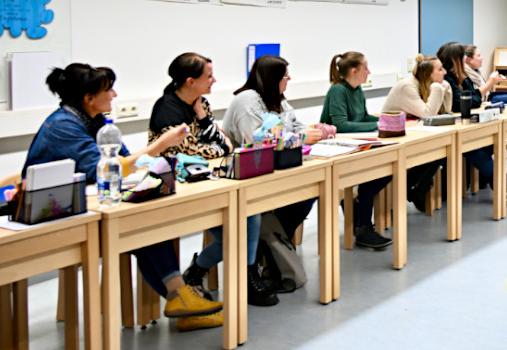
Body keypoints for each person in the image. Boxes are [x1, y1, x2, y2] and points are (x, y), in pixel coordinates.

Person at [24, 63, 223, 331]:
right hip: (50, 216)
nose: (115, 95)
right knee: (143, 227)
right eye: (109, 90)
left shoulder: (94, 121)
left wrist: (149, 156)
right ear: (89, 98)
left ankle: (182, 302)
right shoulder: (63, 125)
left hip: (87, 206)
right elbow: (108, 167)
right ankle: (182, 300)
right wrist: (160, 145)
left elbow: (128, 162)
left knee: (147, 225)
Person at [149, 53, 277, 307]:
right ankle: (217, 273)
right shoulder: (166, 109)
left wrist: (207, 122)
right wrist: (220, 146)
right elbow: (190, 150)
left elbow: (220, 141)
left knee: (251, 213)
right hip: (179, 185)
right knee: (237, 228)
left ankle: (217, 272)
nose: (214, 80)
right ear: (190, 81)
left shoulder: (201, 104)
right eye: (208, 76)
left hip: (209, 178)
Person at [218, 54, 330, 239]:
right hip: (247, 172)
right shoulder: (247, 101)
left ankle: (276, 242)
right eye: (286, 76)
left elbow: (294, 123)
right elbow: (256, 141)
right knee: (298, 195)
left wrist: (311, 133)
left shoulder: (278, 98)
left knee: (310, 191)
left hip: (275, 167)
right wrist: (299, 138)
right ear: (273, 78)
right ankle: (272, 244)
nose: (289, 79)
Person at [320, 51, 393, 249]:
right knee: (371, 175)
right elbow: (341, 125)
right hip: (335, 150)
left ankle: (358, 206)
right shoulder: (337, 91)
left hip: (357, 144)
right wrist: (377, 126)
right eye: (365, 68)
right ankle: (363, 227)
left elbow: (364, 118)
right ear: (354, 71)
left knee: (389, 168)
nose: (369, 72)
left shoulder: (357, 89)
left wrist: (385, 121)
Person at [439, 42, 507, 204]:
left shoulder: (461, 75)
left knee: (488, 142)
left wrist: (475, 97)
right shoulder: (447, 78)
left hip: (463, 123)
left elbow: (476, 100)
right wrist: (488, 85)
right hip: (451, 127)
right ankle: (504, 184)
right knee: (472, 147)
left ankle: (501, 184)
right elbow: (462, 103)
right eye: (464, 56)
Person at [382, 54, 451, 212]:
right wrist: (437, 88)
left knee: (440, 149)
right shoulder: (408, 87)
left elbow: (445, 110)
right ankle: (412, 188)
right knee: (436, 150)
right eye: (440, 69)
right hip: (393, 138)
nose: (445, 73)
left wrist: (443, 89)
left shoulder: (424, 85)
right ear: (429, 74)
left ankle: (416, 189)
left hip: (410, 134)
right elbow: (428, 114)